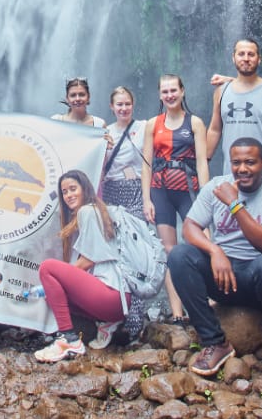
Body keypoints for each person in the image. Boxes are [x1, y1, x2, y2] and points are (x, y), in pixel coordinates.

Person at [168, 137, 262, 377]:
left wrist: (234, 204)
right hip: (223, 276)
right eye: (236, 162)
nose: (242, 169)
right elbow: (189, 227)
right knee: (179, 255)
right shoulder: (217, 186)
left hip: (259, 281)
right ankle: (215, 342)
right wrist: (214, 251)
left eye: (250, 162)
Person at [35, 170, 128, 360]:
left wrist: (65, 273)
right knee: (52, 294)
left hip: (110, 294)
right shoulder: (95, 211)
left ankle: (69, 340)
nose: (69, 195)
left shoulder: (88, 211)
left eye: (72, 189)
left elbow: (90, 259)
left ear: (84, 189)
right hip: (117, 302)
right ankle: (104, 325)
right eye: (65, 192)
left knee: (47, 268)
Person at [141, 74, 209, 324]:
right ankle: (177, 311)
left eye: (173, 90)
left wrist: (205, 194)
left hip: (188, 190)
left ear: (182, 91)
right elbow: (146, 165)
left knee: (200, 243)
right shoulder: (152, 124)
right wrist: (146, 199)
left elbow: (202, 162)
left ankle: (206, 300)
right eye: (165, 91)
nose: (169, 95)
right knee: (169, 250)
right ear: (160, 95)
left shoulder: (195, 123)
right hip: (161, 192)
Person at [206, 38, 262, 185]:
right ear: (233, 57)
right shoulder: (221, 92)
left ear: (259, 59)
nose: (246, 58)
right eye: (241, 54)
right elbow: (214, 130)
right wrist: (203, 162)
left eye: (251, 54)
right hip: (232, 175)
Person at [100, 86, 147, 341]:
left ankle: (137, 317)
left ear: (133, 104)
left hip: (136, 191)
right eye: (119, 104)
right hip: (111, 193)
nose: (123, 108)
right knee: (114, 252)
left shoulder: (144, 127)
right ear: (112, 107)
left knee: (136, 253)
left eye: (127, 103)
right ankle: (115, 311)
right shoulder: (104, 132)